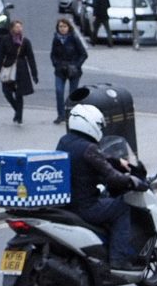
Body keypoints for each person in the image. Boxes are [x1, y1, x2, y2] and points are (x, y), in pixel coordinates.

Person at [57, 102, 146, 267]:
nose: (101, 130)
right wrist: (133, 181)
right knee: (122, 208)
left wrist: (117, 160)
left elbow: (95, 160)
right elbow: (112, 177)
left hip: (66, 204)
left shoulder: (65, 141)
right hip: (86, 206)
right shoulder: (89, 148)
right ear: (89, 124)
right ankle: (119, 259)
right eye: (99, 125)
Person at [0, 20, 37, 124]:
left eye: (20, 27)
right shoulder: (5, 40)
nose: (19, 29)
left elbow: (31, 58)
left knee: (19, 94)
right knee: (7, 92)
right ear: (12, 28)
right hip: (8, 68)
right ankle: (17, 110)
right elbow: (0, 55)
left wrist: (34, 74)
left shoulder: (25, 41)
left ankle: (19, 116)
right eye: (17, 27)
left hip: (21, 70)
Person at [49, 17, 85, 123]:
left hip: (73, 70)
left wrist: (76, 65)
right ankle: (61, 115)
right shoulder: (56, 39)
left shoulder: (74, 38)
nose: (62, 29)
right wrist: (56, 64)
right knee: (59, 91)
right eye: (60, 26)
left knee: (72, 94)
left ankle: (71, 115)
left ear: (69, 27)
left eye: (64, 26)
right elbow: (53, 54)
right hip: (60, 70)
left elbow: (83, 54)